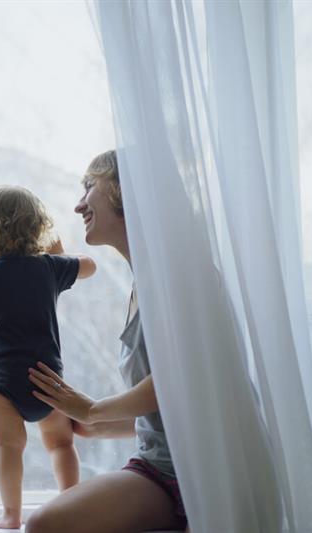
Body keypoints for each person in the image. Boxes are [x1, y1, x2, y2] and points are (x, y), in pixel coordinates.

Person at [24, 150, 189, 533]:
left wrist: (92, 410)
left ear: (122, 190)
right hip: (161, 471)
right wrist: (89, 425)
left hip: (201, 470)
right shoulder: (144, 282)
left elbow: (177, 382)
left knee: (45, 525)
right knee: (46, 525)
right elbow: (166, 414)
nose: (79, 204)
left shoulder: (178, 276)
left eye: (89, 187)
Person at [0, 185, 97, 529]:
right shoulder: (49, 267)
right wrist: (59, 253)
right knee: (61, 444)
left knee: (9, 447)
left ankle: (11, 515)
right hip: (49, 379)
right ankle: (71, 506)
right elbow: (90, 266)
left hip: (5, 383)